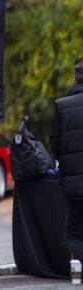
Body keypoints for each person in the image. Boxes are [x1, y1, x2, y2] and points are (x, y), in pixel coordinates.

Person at [50, 60, 83, 259]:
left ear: (74, 79)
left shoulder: (62, 106)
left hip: (73, 183)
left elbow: (55, 145)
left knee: (72, 234)